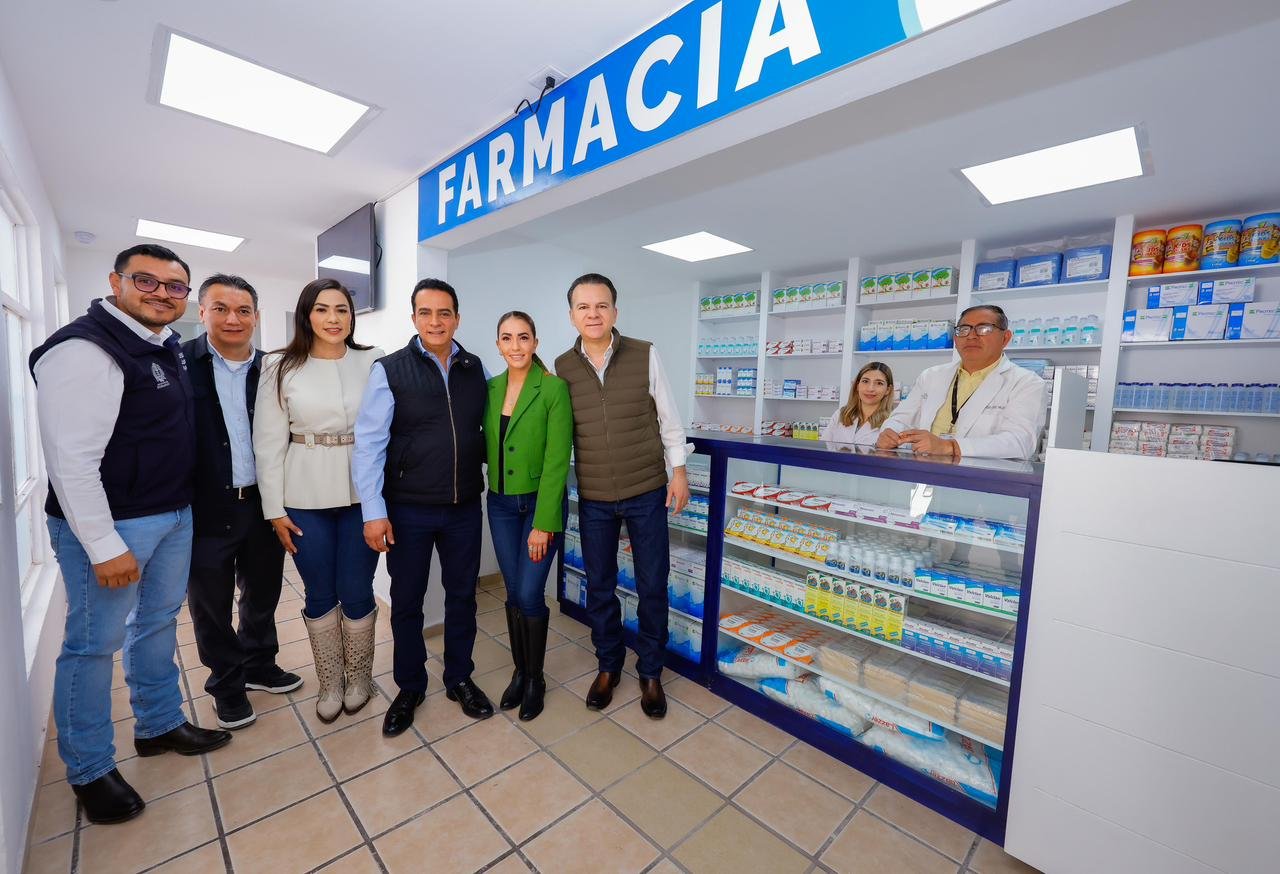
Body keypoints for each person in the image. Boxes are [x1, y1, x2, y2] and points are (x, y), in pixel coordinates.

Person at [30, 244, 232, 824]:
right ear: (116, 282)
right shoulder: (85, 349)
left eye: (175, 286)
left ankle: (159, 723)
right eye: (147, 281)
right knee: (93, 645)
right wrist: (102, 545)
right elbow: (70, 460)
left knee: (159, 621)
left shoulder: (161, 345)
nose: (162, 293)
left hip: (171, 513)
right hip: (112, 526)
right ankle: (90, 770)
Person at [354, 279, 493, 737]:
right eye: (426, 313)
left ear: (457, 318)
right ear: (414, 318)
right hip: (407, 510)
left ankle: (459, 678)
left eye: (444, 313)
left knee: (462, 596)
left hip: (463, 507)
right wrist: (374, 511)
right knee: (407, 601)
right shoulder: (389, 370)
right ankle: (410, 687)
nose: (436, 322)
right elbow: (369, 444)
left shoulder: (475, 368)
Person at [555, 273, 689, 720]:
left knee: (652, 584)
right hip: (594, 495)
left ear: (615, 311)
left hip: (646, 490)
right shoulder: (562, 366)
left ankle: (650, 671)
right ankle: (608, 665)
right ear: (571, 314)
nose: (593, 314)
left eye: (601, 305)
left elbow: (668, 417)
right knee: (599, 585)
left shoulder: (645, 353)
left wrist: (679, 472)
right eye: (583, 307)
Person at [253, 279, 383, 725]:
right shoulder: (278, 365)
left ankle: (359, 678)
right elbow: (268, 442)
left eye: (342, 309)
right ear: (306, 315)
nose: (333, 319)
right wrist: (274, 509)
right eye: (323, 309)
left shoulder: (373, 359)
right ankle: (330, 682)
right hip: (303, 493)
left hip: (362, 494)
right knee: (320, 591)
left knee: (357, 588)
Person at [183, 274, 301, 731]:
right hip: (207, 507)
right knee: (210, 604)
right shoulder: (180, 363)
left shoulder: (274, 368)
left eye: (243, 310)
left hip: (263, 503)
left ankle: (259, 664)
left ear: (256, 316)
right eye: (221, 308)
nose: (233, 319)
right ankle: (227, 684)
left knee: (263, 592)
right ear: (202, 312)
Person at [484, 311, 572, 722]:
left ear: (535, 342)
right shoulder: (490, 388)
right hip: (500, 504)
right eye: (507, 338)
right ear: (498, 344)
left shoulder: (553, 388)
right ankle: (520, 671)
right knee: (513, 590)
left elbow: (557, 460)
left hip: (540, 504)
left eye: (523, 337)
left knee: (531, 592)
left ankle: (536, 679)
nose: (515, 345)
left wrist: (543, 523)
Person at [876, 305, 1047, 459]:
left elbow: (1020, 442)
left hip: (982, 479)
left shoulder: (1027, 383)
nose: (971, 336)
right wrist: (890, 432)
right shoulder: (931, 376)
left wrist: (950, 447)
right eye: (963, 329)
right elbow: (901, 418)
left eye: (984, 329)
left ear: (1005, 338)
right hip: (924, 471)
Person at [820, 361, 896, 446]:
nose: (870, 388)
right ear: (857, 385)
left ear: (888, 390)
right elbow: (823, 447)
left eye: (879, 383)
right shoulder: (840, 414)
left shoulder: (893, 423)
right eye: (865, 381)